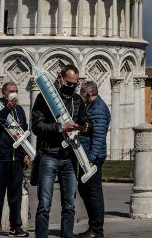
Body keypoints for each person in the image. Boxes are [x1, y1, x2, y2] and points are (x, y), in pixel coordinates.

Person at [31, 65, 88, 238]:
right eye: (69, 83)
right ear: (61, 78)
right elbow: (37, 126)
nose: (72, 87)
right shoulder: (44, 98)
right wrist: (60, 127)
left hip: (70, 157)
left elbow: (86, 121)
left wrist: (84, 126)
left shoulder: (77, 100)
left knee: (70, 204)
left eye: (75, 84)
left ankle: (67, 235)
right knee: (44, 204)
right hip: (49, 155)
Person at [0, 81, 30, 238]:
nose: (14, 93)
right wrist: (7, 109)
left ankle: (16, 226)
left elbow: (24, 132)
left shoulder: (20, 110)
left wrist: (25, 153)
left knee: (15, 195)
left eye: (16, 90)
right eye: (11, 91)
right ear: (4, 93)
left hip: (15, 160)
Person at [77, 80, 110, 238]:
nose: (82, 98)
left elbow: (98, 137)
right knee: (85, 190)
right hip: (87, 156)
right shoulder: (92, 106)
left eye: (83, 95)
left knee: (94, 192)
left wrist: (91, 159)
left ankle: (97, 230)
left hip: (92, 158)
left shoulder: (98, 108)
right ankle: (93, 227)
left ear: (89, 94)